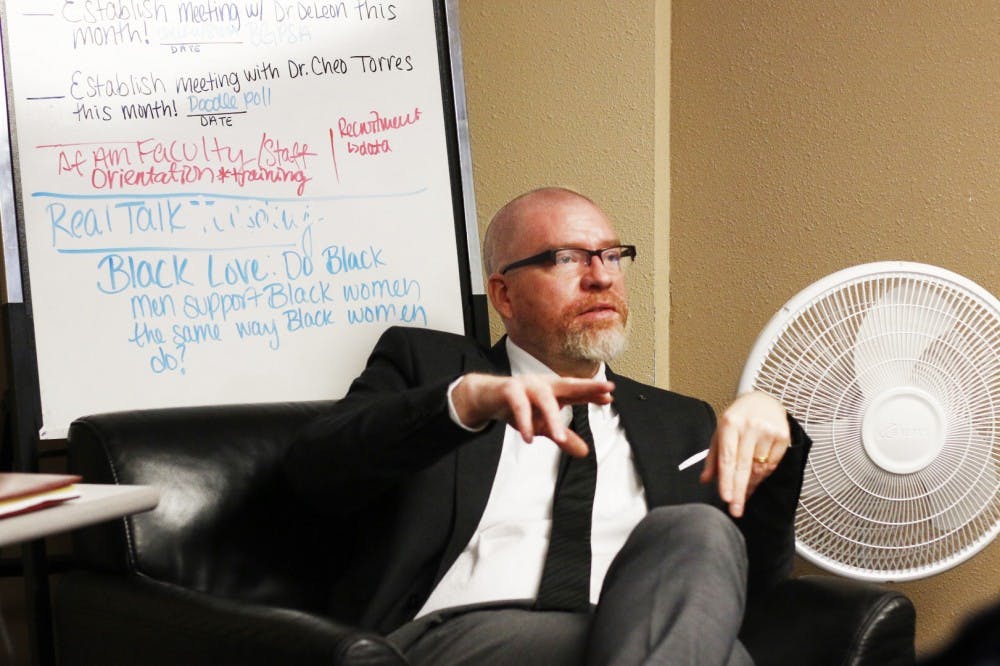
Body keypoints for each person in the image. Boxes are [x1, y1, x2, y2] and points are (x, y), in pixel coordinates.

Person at [284, 187, 810, 665]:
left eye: (611, 256)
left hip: (641, 629)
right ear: (504, 295)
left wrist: (776, 439)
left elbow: (750, 585)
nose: (601, 276)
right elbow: (315, 472)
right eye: (566, 259)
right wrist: (465, 403)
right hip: (464, 635)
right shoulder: (430, 366)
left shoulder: (680, 421)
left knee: (698, 532)